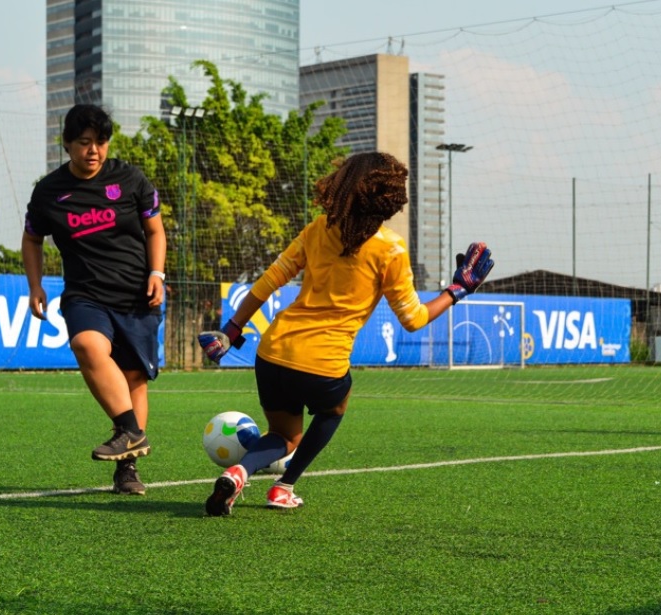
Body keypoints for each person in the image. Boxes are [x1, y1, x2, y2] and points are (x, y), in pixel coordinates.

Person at [196, 151, 494, 516]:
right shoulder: (391, 249)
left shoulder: (319, 228)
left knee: (283, 436)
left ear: (344, 186)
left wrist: (231, 329)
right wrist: (456, 291)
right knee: (334, 408)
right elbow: (413, 319)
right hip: (323, 363)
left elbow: (270, 279)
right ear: (389, 198)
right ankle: (283, 487)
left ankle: (239, 471)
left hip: (273, 352)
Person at [22, 104, 167, 494]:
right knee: (86, 344)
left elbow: (155, 231)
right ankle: (133, 431)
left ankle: (128, 468)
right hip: (85, 294)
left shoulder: (130, 178)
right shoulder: (49, 191)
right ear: (67, 144)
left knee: (134, 377)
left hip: (137, 294)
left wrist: (157, 273)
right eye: (84, 143)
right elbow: (33, 238)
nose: (94, 151)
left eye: (101, 143)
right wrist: (35, 285)